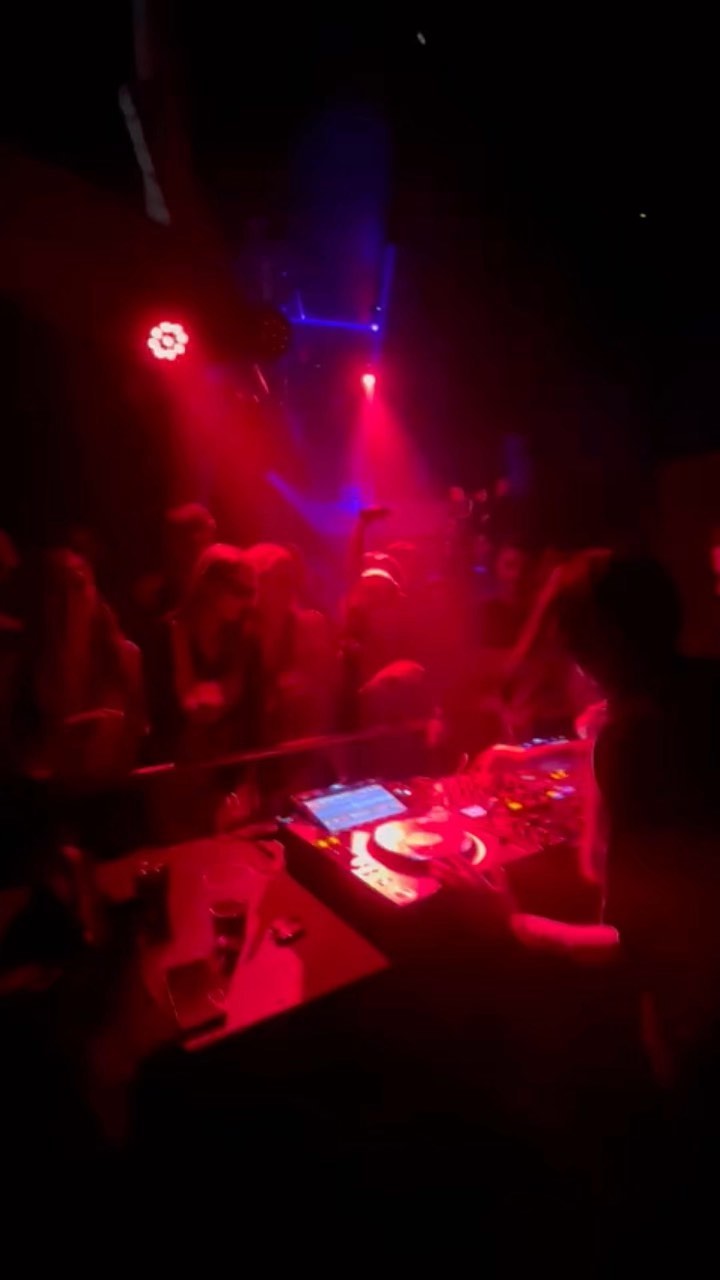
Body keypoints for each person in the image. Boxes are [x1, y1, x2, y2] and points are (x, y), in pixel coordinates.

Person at [17, 548, 145, 783]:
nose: (69, 600)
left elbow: (140, 735)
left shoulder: (125, 657)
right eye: (58, 589)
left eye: (77, 585)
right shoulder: (25, 667)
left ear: (95, 593)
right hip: (52, 794)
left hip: (116, 790)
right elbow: (23, 757)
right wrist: (57, 744)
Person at [146, 543, 259, 762]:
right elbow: (160, 711)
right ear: (210, 585)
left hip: (229, 763)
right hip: (175, 763)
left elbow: (248, 712)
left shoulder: (243, 640)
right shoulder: (165, 636)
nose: (248, 603)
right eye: (240, 591)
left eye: (251, 593)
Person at [245, 542, 336, 742]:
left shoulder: (309, 626)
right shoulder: (241, 632)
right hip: (252, 739)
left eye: (290, 579)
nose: (287, 587)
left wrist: (308, 683)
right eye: (279, 579)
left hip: (300, 739)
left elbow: (326, 687)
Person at [132, 502, 217, 631]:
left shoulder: (214, 584)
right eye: (174, 536)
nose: (173, 544)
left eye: (179, 536)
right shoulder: (155, 588)